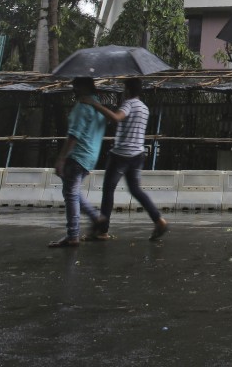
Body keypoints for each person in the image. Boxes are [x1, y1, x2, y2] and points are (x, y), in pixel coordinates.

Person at [83, 77, 168, 241]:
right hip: (138, 155)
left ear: (127, 90)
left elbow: (117, 118)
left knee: (108, 190)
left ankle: (102, 230)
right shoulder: (144, 108)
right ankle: (159, 220)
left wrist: (95, 104)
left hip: (121, 155)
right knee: (135, 190)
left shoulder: (128, 104)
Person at [49, 77, 107, 248]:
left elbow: (74, 135)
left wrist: (61, 158)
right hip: (90, 156)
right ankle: (95, 217)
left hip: (78, 155)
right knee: (72, 192)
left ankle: (73, 234)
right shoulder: (99, 107)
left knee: (71, 194)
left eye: (75, 86)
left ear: (82, 88)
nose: (73, 89)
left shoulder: (83, 106)